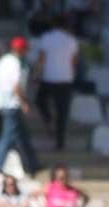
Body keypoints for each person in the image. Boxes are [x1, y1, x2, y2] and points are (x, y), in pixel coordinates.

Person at [0, 37, 41, 176]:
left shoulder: (3, 61)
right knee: (8, 135)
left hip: (2, 101)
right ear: (20, 49)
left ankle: (33, 164)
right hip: (11, 103)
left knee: (23, 136)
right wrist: (24, 103)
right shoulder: (15, 63)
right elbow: (16, 86)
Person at [36, 15, 80, 151]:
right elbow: (74, 62)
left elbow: (42, 59)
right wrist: (72, 76)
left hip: (49, 77)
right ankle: (60, 143)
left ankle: (48, 119)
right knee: (62, 113)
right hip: (65, 79)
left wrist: (36, 73)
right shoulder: (72, 40)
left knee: (40, 101)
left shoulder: (46, 38)